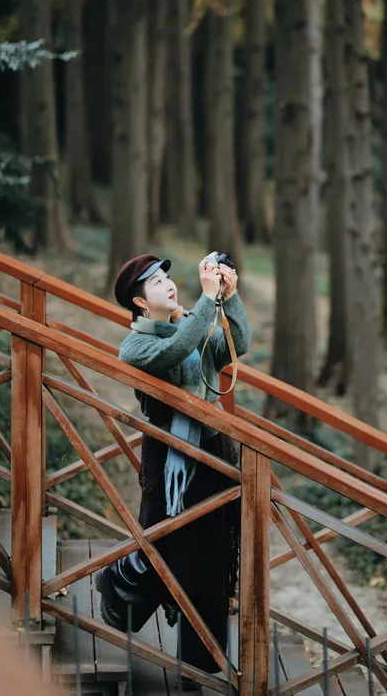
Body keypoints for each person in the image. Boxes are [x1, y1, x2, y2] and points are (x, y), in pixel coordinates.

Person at [97, 252, 251, 691]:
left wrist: (229, 299)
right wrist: (204, 304)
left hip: (213, 459)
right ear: (141, 304)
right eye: (155, 282)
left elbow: (239, 343)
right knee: (168, 553)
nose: (167, 283)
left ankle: (196, 671)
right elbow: (175, 349)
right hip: (170, 467)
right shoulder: (137, 345)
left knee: (210, 567)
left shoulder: (193, 325)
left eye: (167, 276)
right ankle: (119, 592)